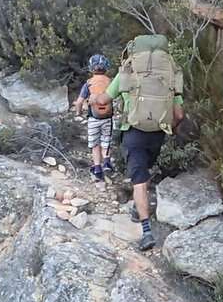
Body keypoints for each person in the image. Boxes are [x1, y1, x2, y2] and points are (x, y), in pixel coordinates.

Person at [106, 34, 185, 251]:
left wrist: (93, 100)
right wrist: (173, 130)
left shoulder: (128, 70)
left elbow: (105, 99)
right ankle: (137, 207)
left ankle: (146, 231)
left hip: (133, 132)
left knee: (139, 180)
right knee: (145, 171)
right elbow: (179, 114)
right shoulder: (169, 74)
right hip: (157, 132)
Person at [73, 54, 116, 182]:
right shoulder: (110, 82)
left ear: (91, 68)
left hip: (93, 118)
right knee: (105, 141)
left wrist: (78, 113)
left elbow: (80, 102)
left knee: (94, 143)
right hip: (107, 118)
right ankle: (107, 161)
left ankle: (97, 168)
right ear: (106, 67)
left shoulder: (88, 84)